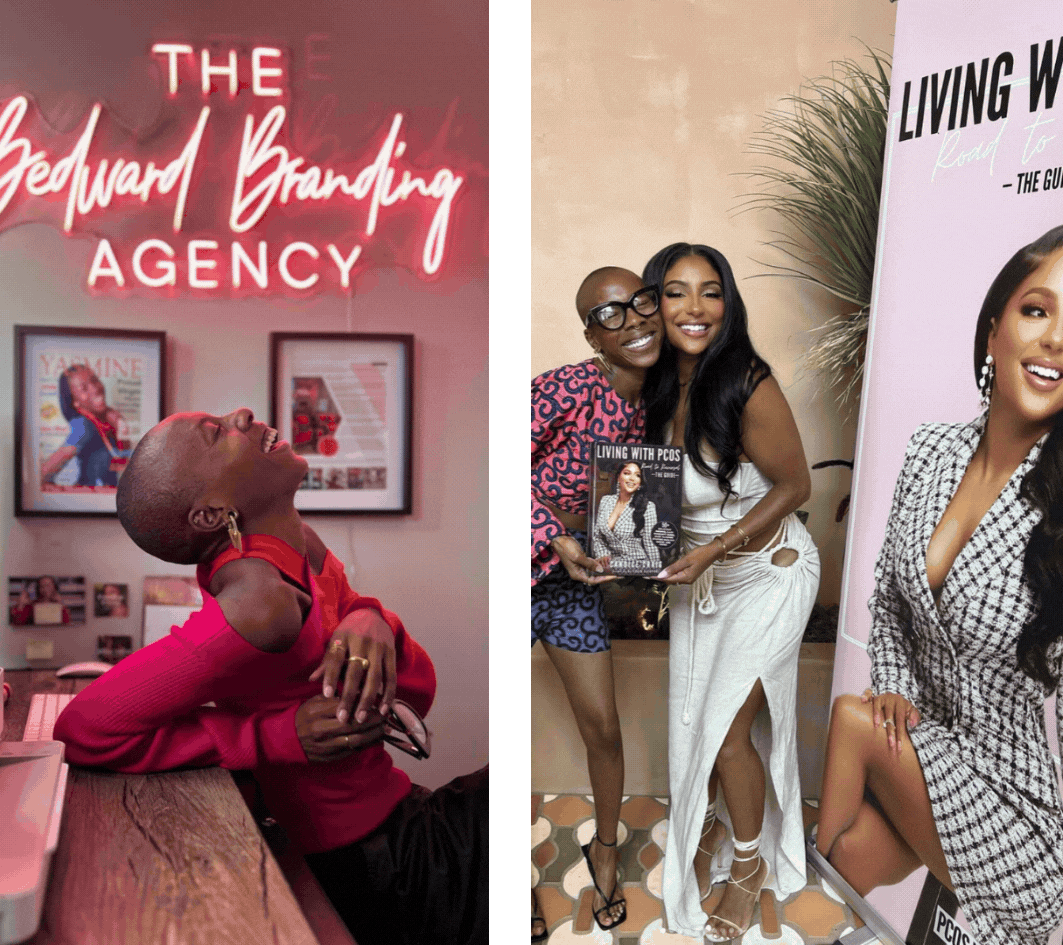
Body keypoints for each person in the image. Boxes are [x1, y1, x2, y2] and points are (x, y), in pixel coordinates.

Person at [54, 406, 486, 945]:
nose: (242, 413)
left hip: (402, 821)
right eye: (217, 433)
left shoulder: (295, 543)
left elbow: (418, 692)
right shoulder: (258, 607)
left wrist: (370, 617)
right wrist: (272, 736)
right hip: (379, 868)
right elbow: (82, 728)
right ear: (213, 514)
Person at [814, 227, 1063, 945]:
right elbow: (891, 600)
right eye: (1037, 310)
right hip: (924, 750)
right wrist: (894, 684)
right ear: (994, 330)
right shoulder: (930, 450)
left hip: (1017, 812)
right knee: (850, 854)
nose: (1054, 340)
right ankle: (810, 901)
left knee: (853, 721)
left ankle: (798, 898)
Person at [642, 243, 818, 940]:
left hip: (770, 573)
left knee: (727, 733)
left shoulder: (746, 380)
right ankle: (715, 822)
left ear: (728, 302)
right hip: (704, 580)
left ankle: (749, 866)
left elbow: (797, 486)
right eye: (675, 292)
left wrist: (713, 549)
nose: (695, 308)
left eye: (710, 291)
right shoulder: (656, 386)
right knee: (699, 721)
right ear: (652, 304)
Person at [529, 267, 663, 934]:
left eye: (641, 302)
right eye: (610, 314)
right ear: (592, 336)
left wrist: (634, 556)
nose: (632, 319)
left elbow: (644, 507)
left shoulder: (666, 402)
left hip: (569, 583)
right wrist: (550, 530)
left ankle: (604, 850)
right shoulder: (567, 387)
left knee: (603, 728)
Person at [40, 363, 127, 487]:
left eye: (94, 380)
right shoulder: (83, 426)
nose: (95, 389)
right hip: (90, 495)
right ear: (75, 402)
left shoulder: (108, 420)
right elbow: (42, 474)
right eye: (84, 388)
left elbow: (124, 465)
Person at [592, 461, 662, 573]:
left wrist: (655, 571)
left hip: (637, 565)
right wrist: (603, 555)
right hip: (609, 565)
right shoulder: (606, 501)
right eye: (627, 473)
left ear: (640, 482)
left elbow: (650, 544)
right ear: (618, 478)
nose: (632, 478)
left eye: (637, 475)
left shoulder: (648, 507)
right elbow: (597, 536)